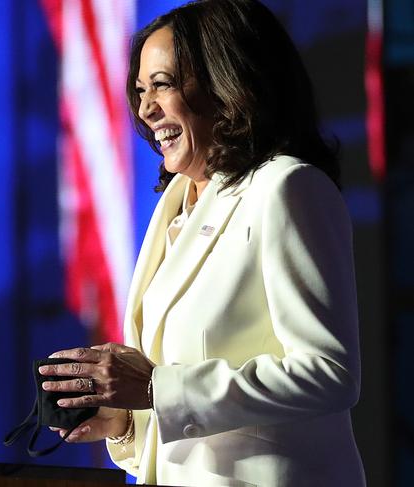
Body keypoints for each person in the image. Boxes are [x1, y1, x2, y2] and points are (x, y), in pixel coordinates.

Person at [37, 0, 366, 485]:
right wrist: (129, 421)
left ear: (227, 83)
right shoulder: (174, 207)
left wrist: (156, 389)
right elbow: (187, 411)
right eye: (141, 90)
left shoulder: (286, 188)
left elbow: (329, 372)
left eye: (163, 84)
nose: (146, 109)